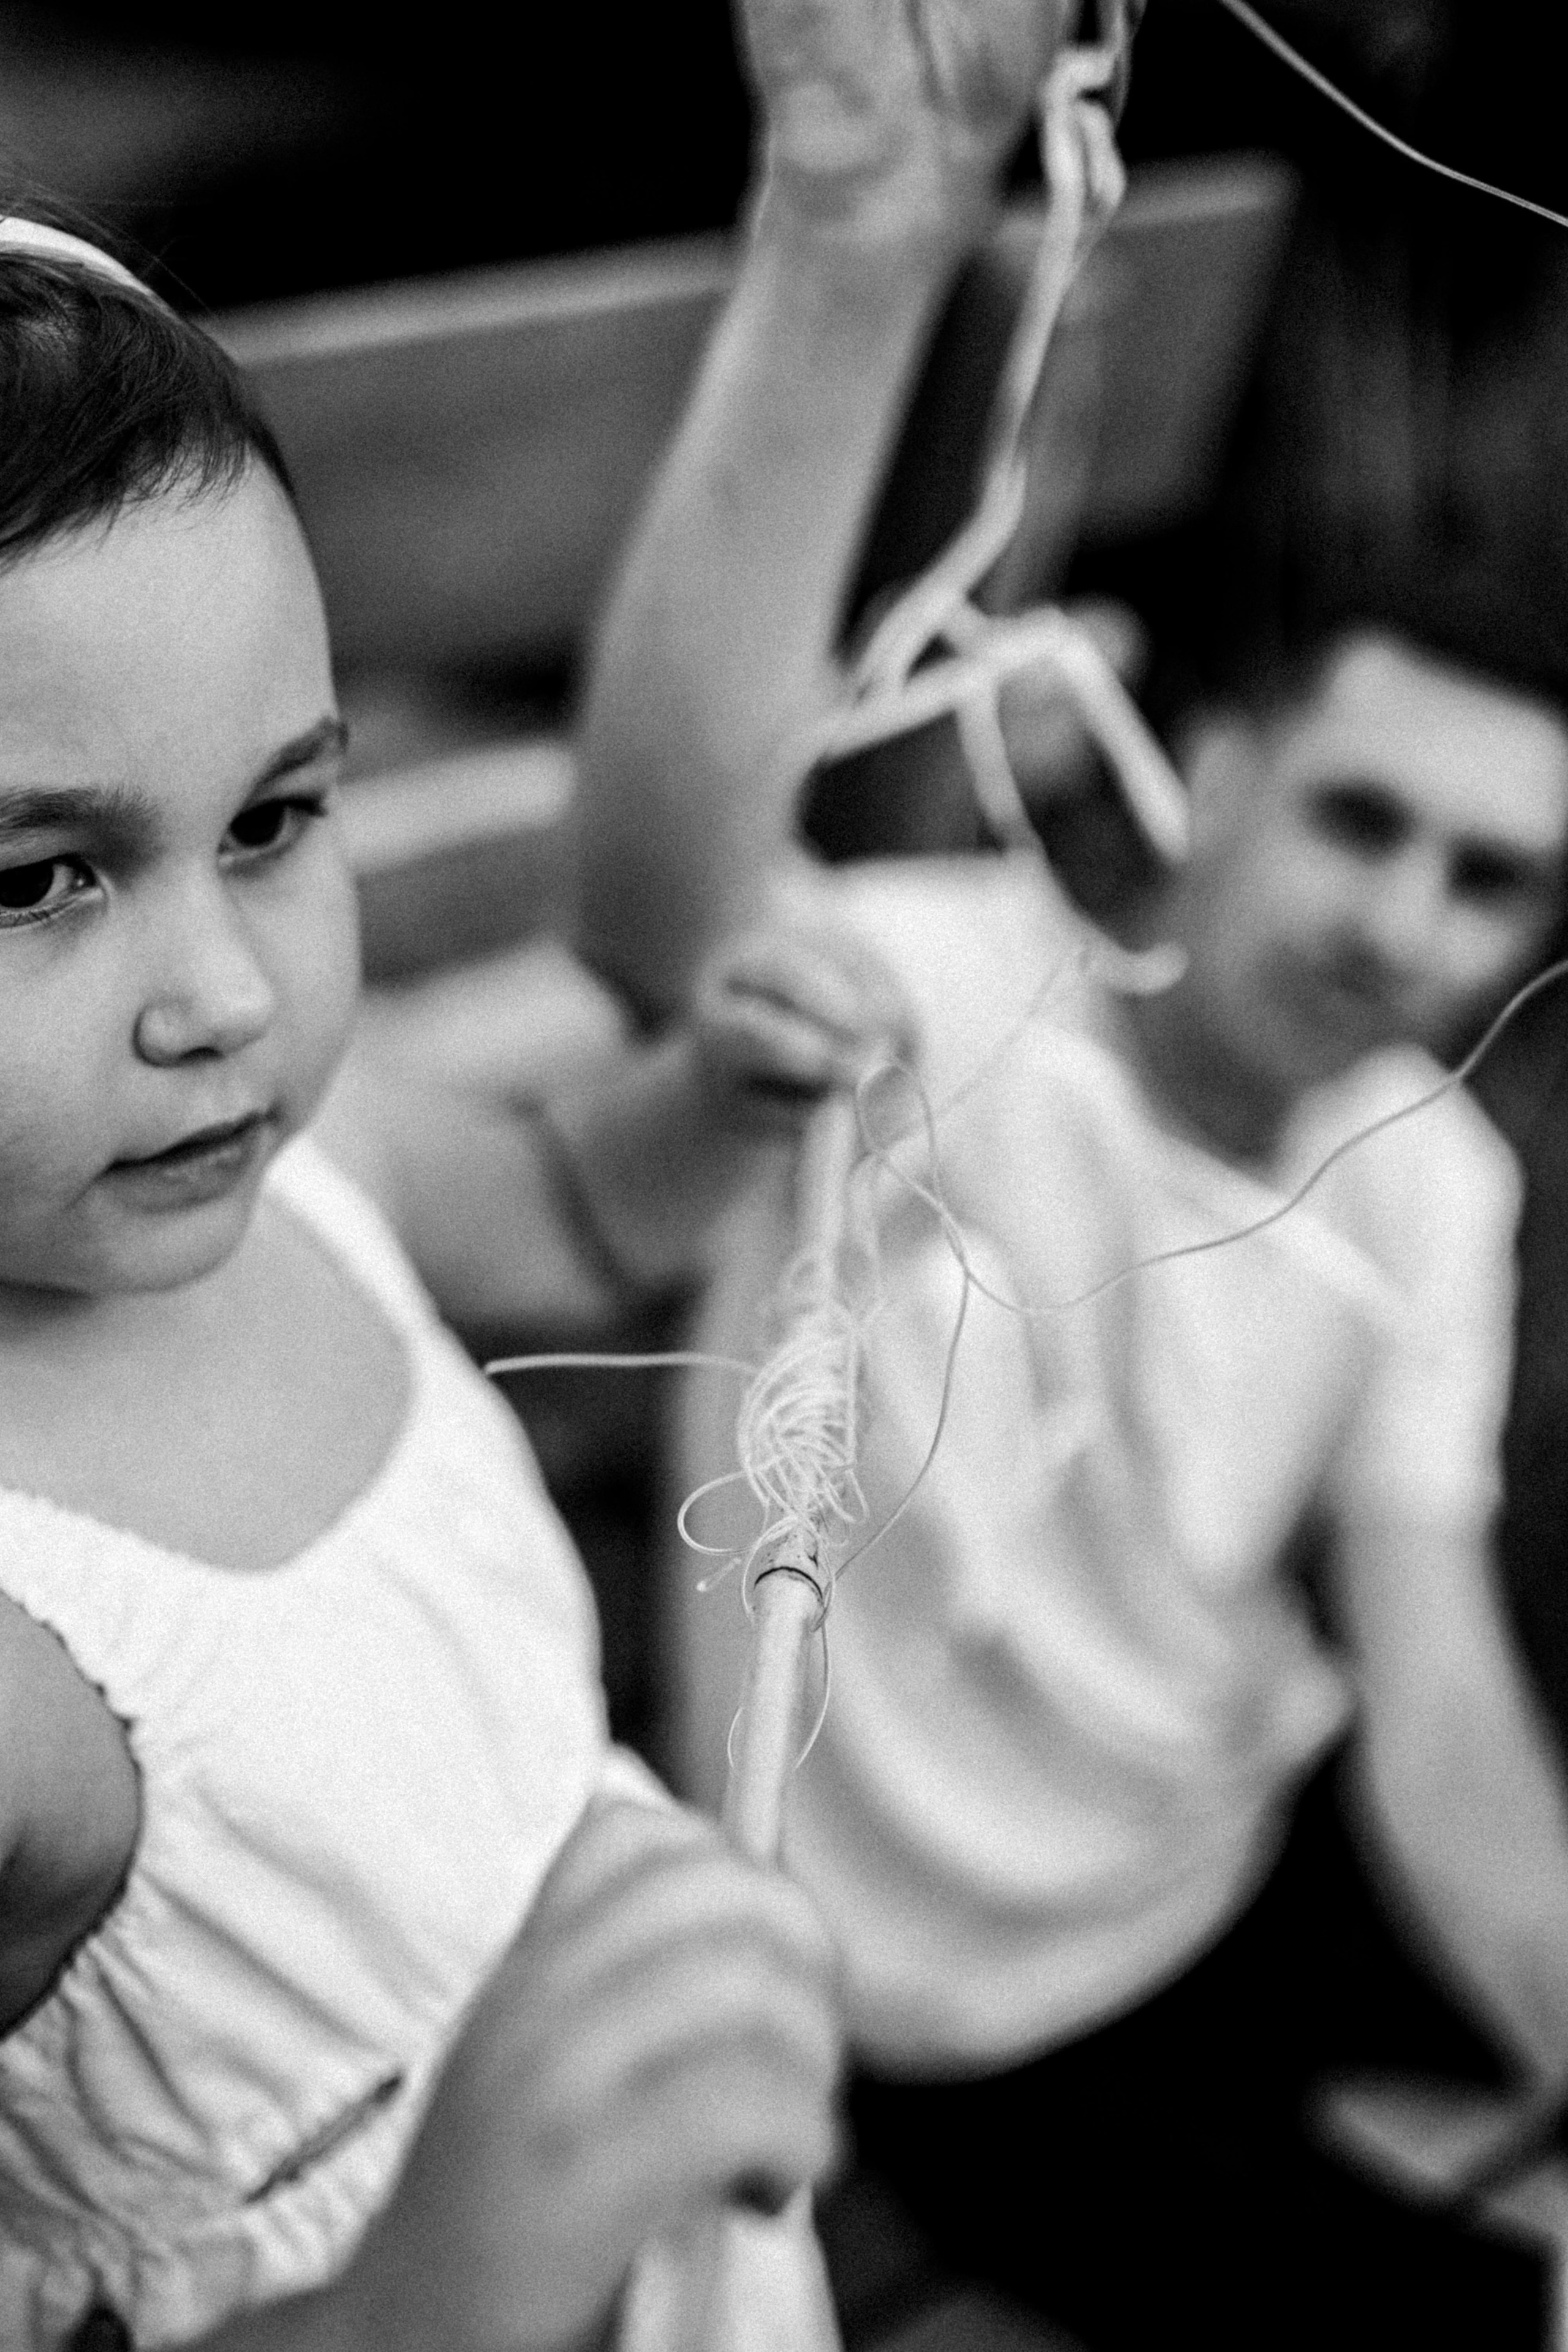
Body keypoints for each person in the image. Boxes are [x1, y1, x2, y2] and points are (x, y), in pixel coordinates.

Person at [573, 1, 1568, 2340]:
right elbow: (659, 917)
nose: (1404, 922)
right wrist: (850, 242)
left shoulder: (1431, 1178)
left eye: (1493, 880)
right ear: (1204, 774)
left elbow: (1431, 1692)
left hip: (1208, 1851)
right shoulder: (928, 998)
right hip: (936, 2001)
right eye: (1359, 818)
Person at [0, 211, 894, 2351]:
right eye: (39, 875)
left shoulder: (299, 1157)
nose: (220, 995)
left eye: (277, 819)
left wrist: (710, 1103)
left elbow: (576, 1210)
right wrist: (434, 2286)